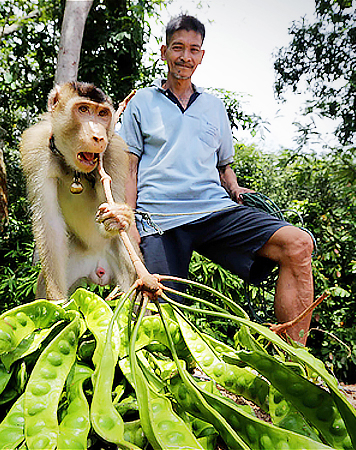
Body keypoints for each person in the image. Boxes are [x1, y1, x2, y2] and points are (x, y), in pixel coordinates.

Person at [118, 14, 316, 345]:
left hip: (213, 210)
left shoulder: (213, 106)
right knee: (162, 318)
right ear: (164, 51)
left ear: (202, 55)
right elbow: (129, 168)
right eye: (178, 48)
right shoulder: (142, 103)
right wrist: (130, 222)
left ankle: (297, 364)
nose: (185, 57)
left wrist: (235, 188)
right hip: (159, 218)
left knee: (298, 244)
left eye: (194, 49)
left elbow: (224, 167)